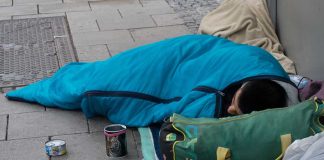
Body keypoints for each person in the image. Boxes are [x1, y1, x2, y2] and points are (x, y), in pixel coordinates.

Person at [5, 34, 299, 127]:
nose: (230, 110)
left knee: (107, 83)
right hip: (191, 55)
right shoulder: (264, 74)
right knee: (102, 82)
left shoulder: (281, 106)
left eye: (234, 111)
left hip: (196, 65)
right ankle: (65, 81)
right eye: (233, 104)